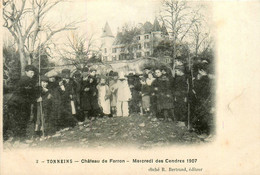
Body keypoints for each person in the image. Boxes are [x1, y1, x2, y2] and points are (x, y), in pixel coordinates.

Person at [5, 65, 37, 140]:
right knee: (22, 120)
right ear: (26, 72)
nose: (33, 74)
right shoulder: (27, 80)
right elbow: (30, 92)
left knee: (18, 121)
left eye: (33, 73)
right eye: (31, 72)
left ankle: (18, 138)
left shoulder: (24, 79)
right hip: (20, 104)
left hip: (17, 103)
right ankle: (21, 138)